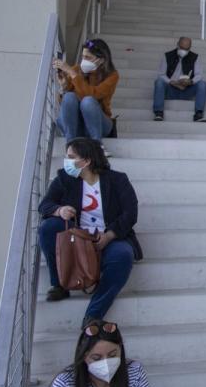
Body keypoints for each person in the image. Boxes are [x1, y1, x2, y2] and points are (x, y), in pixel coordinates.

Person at [38, 138, 142, 328]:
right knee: (48, 228)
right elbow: (45, 205)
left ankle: (93, 315)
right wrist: (60, 211)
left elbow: (130, 213)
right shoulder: (65, 178)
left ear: (86, 161)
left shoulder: (117, 180)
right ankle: (59, 284)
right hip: (75, 240)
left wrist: (109, 235)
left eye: (71, 157)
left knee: (123, 255)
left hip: (109, 238)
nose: (66, 161)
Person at [53, 39, 119, 142]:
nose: (83, 60)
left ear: (101, 60)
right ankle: (71, 146)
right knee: (69, 96)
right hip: (75, 124)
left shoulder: (112, 76)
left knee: (88, 101)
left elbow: (93, 95)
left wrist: (72, 73)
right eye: (83, 57)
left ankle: (97, 145)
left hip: (98, 123)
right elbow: (67, 106)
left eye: (88, 57)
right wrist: (64, 87)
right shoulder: (76, 69)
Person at [152, 36, 206, 123]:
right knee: (159, 82)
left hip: (187, 89)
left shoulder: (195, 57)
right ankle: (158, 112)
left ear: (189, 48)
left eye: (186, 49)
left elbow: (199, 75)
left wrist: (190, 81)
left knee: (202, 84)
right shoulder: (167, 56)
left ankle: (198, 113)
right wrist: (171, 82)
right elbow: (161, 74)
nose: (183, 51)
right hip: (171, 89)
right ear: (177, 45)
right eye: (182, 48)